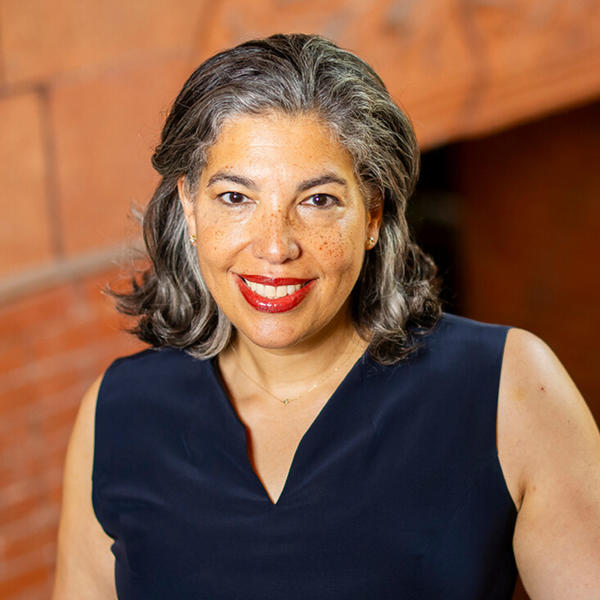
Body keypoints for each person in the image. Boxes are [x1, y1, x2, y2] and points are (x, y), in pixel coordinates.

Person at [52, 34, 600, 599]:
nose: (274, 246)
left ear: (372, 216)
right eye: (236, 197)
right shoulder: (117, 412)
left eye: (318, 200)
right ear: (190, 207)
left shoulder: (509, 388)